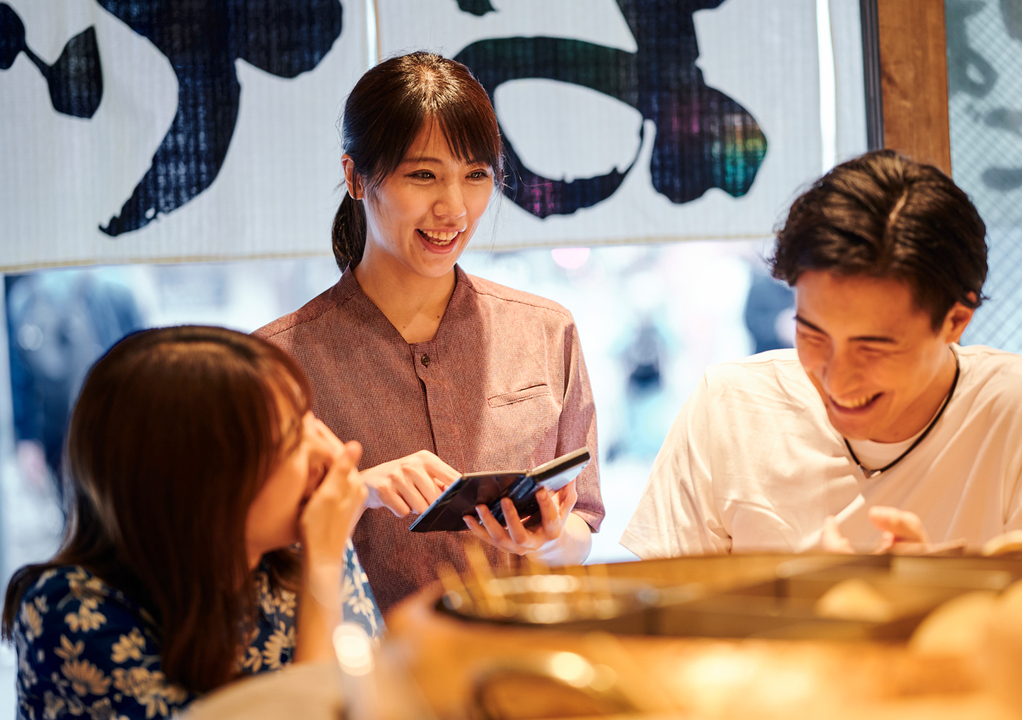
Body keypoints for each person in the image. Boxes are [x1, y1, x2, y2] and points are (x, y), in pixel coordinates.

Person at [621, 150, 1022, 558]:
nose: (837, 379)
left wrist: (938, 601)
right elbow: (663, 626)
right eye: (812, 334)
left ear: (955, 320)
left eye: (873, 346)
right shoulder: (730, 407)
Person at [257, 52, 604, 612]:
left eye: (476, 176)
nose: (454, 208)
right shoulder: (278, 362)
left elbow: (582, 522)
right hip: (370, 682)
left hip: (529, 673)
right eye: (423, 175)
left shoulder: (545, 330)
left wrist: (550, 539)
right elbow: (255, 551)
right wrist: (359, 493)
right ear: (355, 176)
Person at [1, 326, 378, 719]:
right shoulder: (71, 613)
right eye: (293, 440)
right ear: (206, 484)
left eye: (310, 420)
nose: (332, 453)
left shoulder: (298, 549)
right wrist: (324, 568)